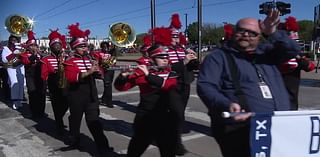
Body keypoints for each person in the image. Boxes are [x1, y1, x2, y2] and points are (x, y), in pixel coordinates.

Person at [197, 10, 301, 157]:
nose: (246, 34)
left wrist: (272, 32)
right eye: (241, 30)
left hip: (276, 125)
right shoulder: (218, 57)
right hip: (239, 128)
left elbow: (293, 49)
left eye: (252, 33)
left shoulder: (266, 53)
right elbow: (206, 86)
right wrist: (226, 104)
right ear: (234, 32)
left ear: (259, 37)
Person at [114, 44, 188, 157]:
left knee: (168, 151)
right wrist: (123, 76)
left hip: (166, 118)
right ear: (152, 59)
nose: (165, 60)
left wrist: (148, 75)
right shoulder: (141, 73)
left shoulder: (170, 72)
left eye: (166, 57)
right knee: (135, 149)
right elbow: (121, 88)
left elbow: (167, 85)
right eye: (161, 57)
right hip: (146, 118)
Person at [63, 23, 113, 156]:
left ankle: (103, 146)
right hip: (76, 95)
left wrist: (99, 72)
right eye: (82, 46)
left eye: (86, 45)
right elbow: (72, 77)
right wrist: (90, 71)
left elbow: (98, 74)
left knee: (94, 122)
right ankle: (74, 138)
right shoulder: (70, 61)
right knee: (75, 119)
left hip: (91, 94)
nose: (86, 48)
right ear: (75, 48)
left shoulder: (90, 58)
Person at [277, 16, 315, 110]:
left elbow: (310, 67)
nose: (294, 35)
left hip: (292, 97)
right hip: (276, 95)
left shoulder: (297, 53)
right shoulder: (274, 51)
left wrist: (299, 57)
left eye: (295, 32)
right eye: (291, 32)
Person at [41, 29, 69, 134]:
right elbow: (44, 74)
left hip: (66, 84)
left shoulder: (67, 57)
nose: (58, 46)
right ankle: (58, 122)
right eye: (55, 45)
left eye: (59, 44)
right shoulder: (46, 59)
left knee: (66, 103)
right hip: (53, 84)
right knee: (56, 104)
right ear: (51, 46)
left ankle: (59, 117)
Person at [20, 31, 47, 118]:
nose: (34, 47)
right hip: (30, 76)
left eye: (35, 45)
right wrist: (34, 55)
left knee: (42, 94)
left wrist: (40, 55)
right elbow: (26, 62)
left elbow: (46, 62)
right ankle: (34, 112)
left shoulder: (40, 55)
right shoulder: (24, 55)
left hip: (40, 76)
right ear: (28, 47)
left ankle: (41, 112)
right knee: (33, 94)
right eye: (32, 46)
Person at [1, 34, 25, 110]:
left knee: (21, 84)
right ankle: (14, 101)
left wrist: (21, 52)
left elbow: (25, 57)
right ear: (10, 41)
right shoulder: (6, 48)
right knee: (14, 83)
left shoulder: (21, 48)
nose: (14, 41)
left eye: (15, 40)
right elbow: (4, 60)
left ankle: (19, 101)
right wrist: (13, 53)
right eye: (12, 40)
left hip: (20, 67)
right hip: (11, 67)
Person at [91, 41, 116, 108]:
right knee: (108, 86)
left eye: (107, 47)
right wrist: (99, 71)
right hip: (104, 71)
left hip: (111, 70)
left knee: (108, 86)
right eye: (104, 47)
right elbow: (97, 62)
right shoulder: (99, 53)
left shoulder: (111, 52)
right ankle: (109, 102)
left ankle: (104, 99)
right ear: (102, 47)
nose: (106, 48)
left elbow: (114, 59)